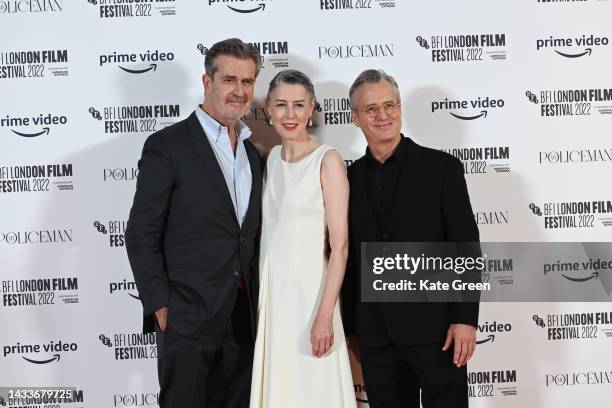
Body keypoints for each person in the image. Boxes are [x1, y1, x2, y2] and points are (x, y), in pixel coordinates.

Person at [125, 38, 263, 408]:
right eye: (230, 80)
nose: (239, 91)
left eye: (247, 81)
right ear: (207, 82)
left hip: (242, 318)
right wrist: (161, 306)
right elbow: (141, 232)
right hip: (186, 316)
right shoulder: (167, 145)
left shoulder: (253, 152)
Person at [341, 69, 480, 408]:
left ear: (401, 109)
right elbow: (348, 257)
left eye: (390, 105)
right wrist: (352, 328)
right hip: (376, 336)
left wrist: (465, 319)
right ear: (355, 117)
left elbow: (465, 246)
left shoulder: (442, 168)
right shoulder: (348, 177)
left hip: (438, 332)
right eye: (371, 109)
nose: (383, 115)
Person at [249, 69, 356, 408]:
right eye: (281, 105)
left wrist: (324, 316)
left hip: (311, 298)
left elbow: (339, 247)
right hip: (274, 300)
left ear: (312, 109)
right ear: (268, 109)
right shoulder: (271, 161)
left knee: (314, 388)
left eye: (298, 105)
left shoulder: (328, 160)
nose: (290, 114)